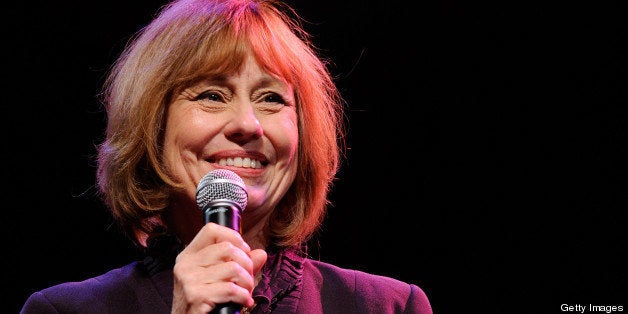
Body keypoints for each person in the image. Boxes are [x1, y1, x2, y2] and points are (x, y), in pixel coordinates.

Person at [21, 0, 433, 313]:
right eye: (212, 95)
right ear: (153, 125)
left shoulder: (389, 305)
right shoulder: (64, 310)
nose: (248, 124)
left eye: (271, 98)